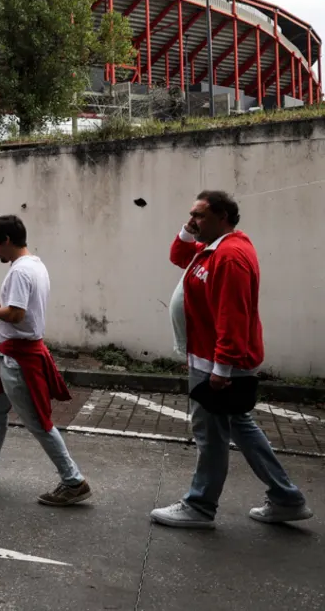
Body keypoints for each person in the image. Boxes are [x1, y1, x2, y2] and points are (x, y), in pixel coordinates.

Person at [150, 191, 312, 528]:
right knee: (240, 425)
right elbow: (178, 256)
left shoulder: (230, 256)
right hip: (208, 359)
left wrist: (221, 369)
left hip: (220, 365)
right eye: (190, 214)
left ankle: (200, 506)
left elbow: (232, 316)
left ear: (223, 217)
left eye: (200, 216)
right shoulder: (211, 250)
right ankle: (286, 497)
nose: (192, 221)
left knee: (210, 434)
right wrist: (189, 227)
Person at [0, 215, 92, 506]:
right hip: (15, 355)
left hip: (18, 359)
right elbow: (18, 310)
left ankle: (73, 480)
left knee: (39, 422)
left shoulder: (18, 272)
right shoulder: (35, 265)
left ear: (6, 241)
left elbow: (16, 315)